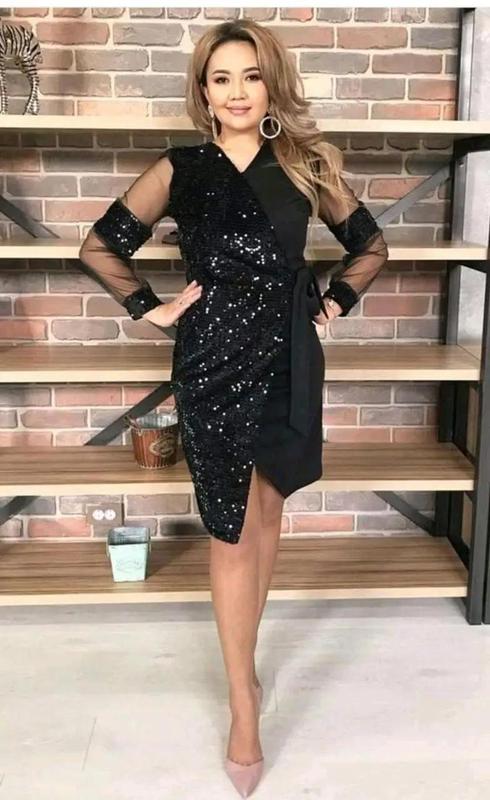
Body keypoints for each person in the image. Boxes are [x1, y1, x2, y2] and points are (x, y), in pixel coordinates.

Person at [78, 19, 389, 797]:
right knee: (231, 523)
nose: (239, 91)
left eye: (251, 75)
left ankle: (245, 662)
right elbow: (99, 245)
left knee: (269, 513)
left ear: (270, 84)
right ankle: (242, 702)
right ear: (204, 92)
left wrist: (334, 303)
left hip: (288, 356)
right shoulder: (181, 169)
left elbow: (371, 245)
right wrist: (150, 307)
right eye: (222, 78)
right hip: (212, 361)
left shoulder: (306, 164)